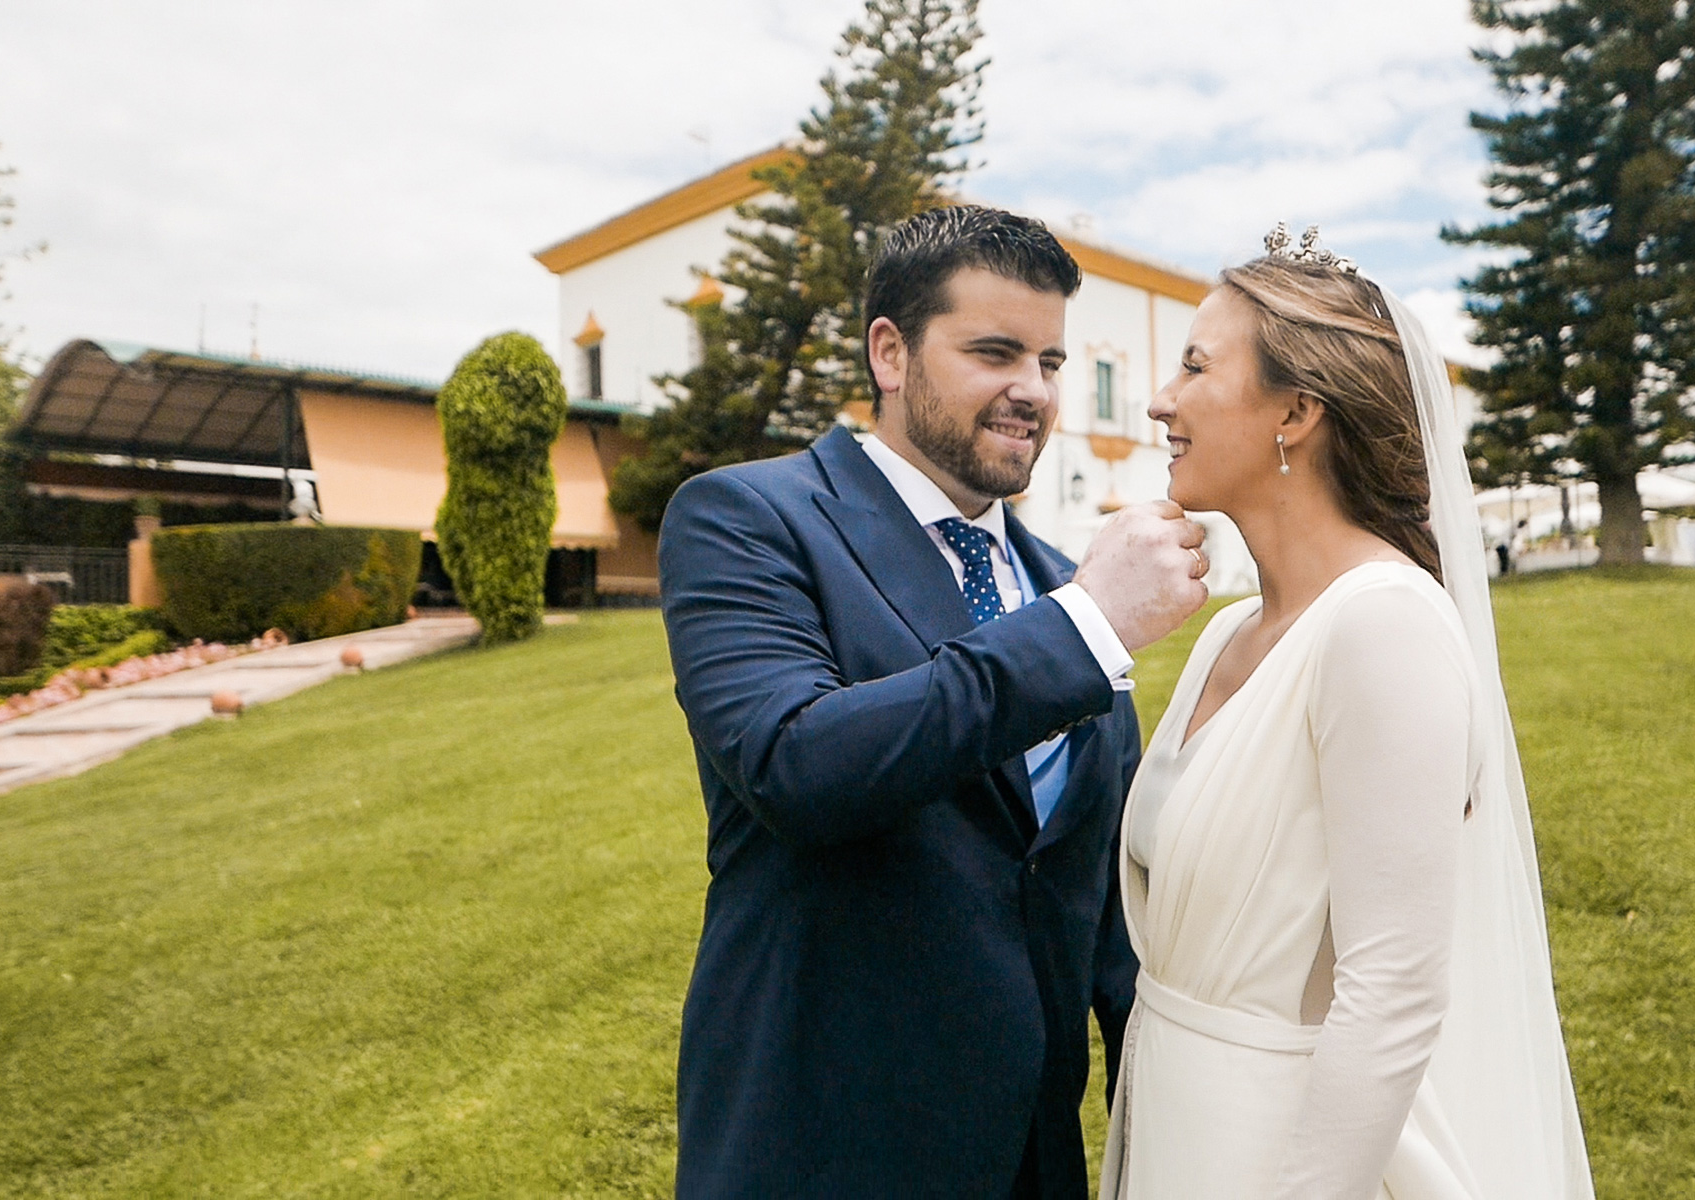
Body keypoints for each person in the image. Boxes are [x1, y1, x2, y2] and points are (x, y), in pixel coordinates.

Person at [658, 205, 1210, 1198]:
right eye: (995, 352)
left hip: (1034, 1161)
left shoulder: (1058, 583)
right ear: (890, 351)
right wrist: (1085, 625)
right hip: (822, 1147)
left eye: (1049, 361)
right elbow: (797, 763)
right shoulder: (746, 518)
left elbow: (1100, 917)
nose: (1032, 392)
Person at [1100, 227, 1594, 1199]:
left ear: (1295, 411)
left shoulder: (1383, 629)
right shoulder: (1227, 633)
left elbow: (1394, 994)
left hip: (1284, 1157)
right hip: (1171, 1119)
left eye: (1197, 367)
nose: (1161, 401)